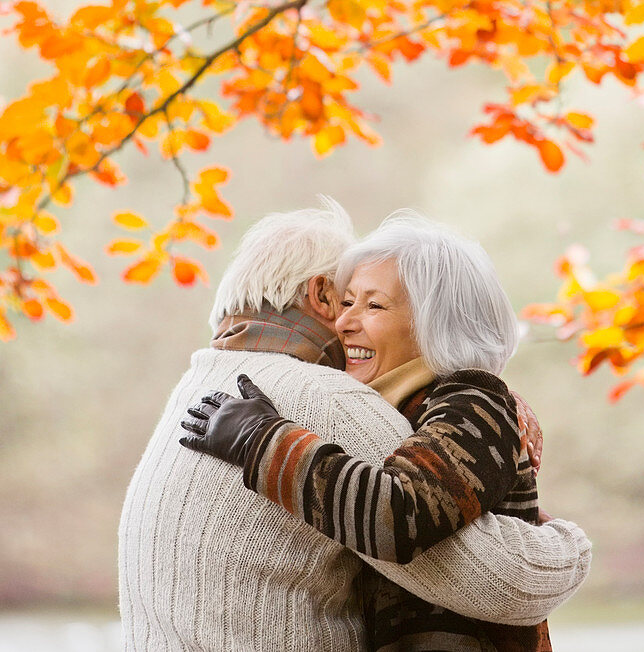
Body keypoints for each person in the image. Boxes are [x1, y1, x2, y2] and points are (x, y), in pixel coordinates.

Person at [119, 198, 591, 652]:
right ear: (321, 294)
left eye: (372, 305)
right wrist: (549, 539)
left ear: (433, 320)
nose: (344, 320)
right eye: (346, 301)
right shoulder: (348, 401)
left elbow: (404, 512)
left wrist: (262, 441)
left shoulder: (471, 401)